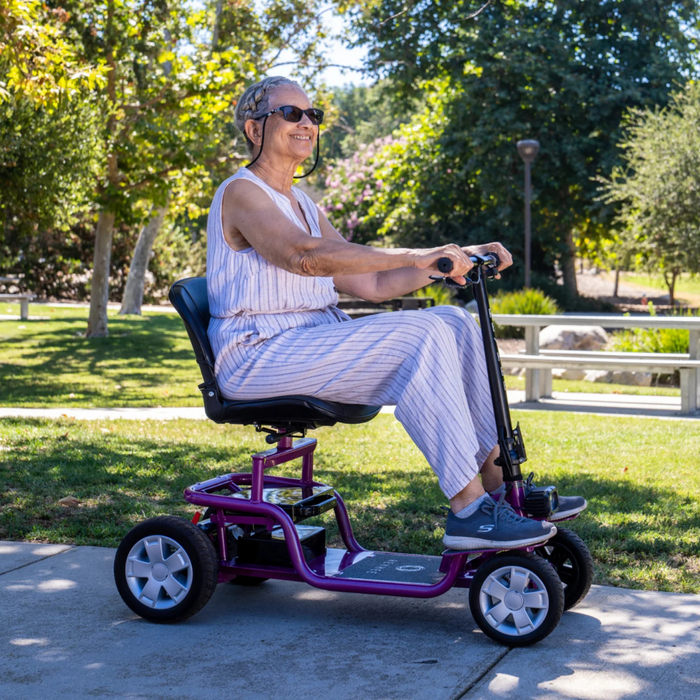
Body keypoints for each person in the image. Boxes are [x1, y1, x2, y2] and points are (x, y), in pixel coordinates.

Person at [207, 76, 586, 551]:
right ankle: (468, 510)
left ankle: (500, 487)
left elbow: (372, 284)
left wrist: (450, 259)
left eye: (312, 115)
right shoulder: (240, 192)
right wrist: (414, 254)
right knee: (421, 333)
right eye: (290, 114)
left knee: (452, 321)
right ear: (254, 129)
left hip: (307, 342)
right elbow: (303, 257)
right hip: (257, 354)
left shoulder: (302, 203)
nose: (306, 123)